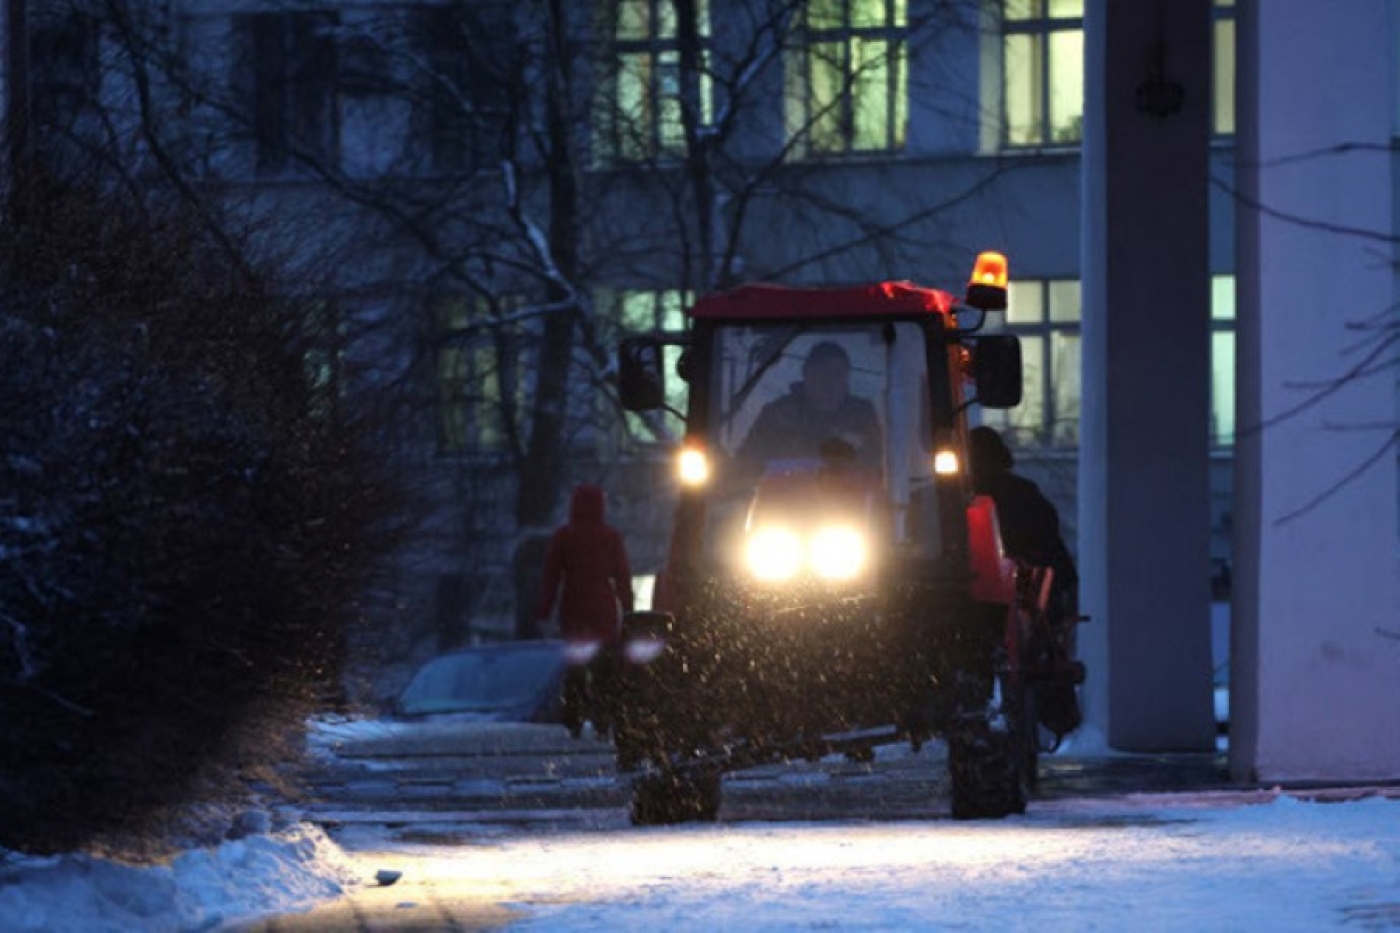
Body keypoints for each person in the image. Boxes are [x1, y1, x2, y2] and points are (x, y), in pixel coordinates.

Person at [967, 425, 1081, 739]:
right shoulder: (1023, 494)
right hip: (1021, 602)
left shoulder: (954, 500)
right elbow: (1053, 556)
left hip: (986, 602)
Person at [536, 484, 635, 737]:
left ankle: (574, 717)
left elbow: (551, 576)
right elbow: (622, 576)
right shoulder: (610, 537)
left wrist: (544, 608)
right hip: (603, 607)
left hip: (574, 606)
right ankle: (603, 718)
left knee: (576, 667)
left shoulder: (564, 536)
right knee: (604, 668)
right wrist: (628, 608)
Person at [735, 340, 883, 473]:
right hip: (786, 493)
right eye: (821, 373)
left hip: (850, 493)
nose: (829, 382)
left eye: (837, 374)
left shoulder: (862, 415)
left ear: (846, 377)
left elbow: (880, 461)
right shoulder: (777, 414)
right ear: (806, 373)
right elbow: (747, 461)